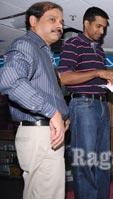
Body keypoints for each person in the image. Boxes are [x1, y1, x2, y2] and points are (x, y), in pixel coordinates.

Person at [0, 2, 69, 199]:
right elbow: (9, 81)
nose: (60, 26)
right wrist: (53, 112)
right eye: (52, 19)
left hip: (48, 131)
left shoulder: (46, 54)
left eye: (62, 22)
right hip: (39, 133)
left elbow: (48, 93)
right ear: (33, 21)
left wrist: (64, 115)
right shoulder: (25, 44)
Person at [57, 7, 113, 199]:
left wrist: (108, 82)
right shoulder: (72, 44)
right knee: (85, 161)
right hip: (83, 106)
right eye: (98, 26)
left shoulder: (98, 50)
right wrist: (98, 72)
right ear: (86, 23)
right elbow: (64, 77)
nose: (102, 31)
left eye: (104, 28)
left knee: (102, 160)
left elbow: (93, 78)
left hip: (101, 105)